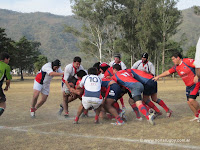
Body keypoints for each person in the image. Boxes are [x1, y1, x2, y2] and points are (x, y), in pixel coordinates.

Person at [153, 52, 200, 122]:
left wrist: (197, 75)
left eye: (173, 59)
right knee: (189, 102)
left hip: (196, 83)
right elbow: (168, 72)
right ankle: (196, 116)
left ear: (178, 58)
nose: (173, 61)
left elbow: (198, 65)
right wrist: (158, 76)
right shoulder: (176, 67)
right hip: (188, 86)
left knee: (191, 100)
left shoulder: (187, 61)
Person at [0, 52, 12, 116]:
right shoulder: (6, 67)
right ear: (5, 59)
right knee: (2, 104)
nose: (8, 61)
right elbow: (8, 80)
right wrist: (7, 87)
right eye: (8, 60)